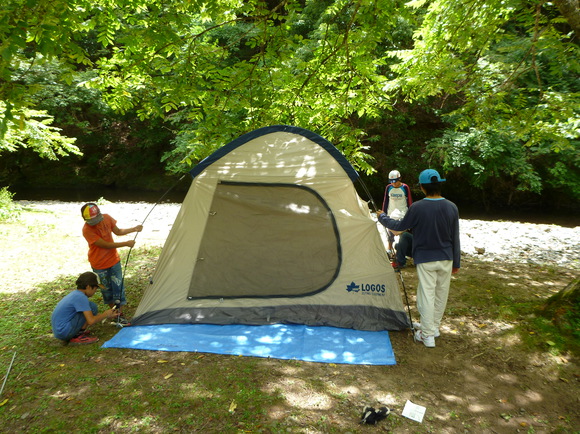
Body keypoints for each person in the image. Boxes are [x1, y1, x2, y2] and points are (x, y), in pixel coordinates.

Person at [377, 169, 460, 348]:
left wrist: (382, 217)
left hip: (426, 258)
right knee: (441, 294)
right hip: (447, 258)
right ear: (439, 185)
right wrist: (456, 262)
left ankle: (427, 335)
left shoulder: (418, 207)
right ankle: (433, 328)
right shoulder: (452, 207)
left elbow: (398, 228)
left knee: (426, 295)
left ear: (422, 187)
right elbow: (455, 236)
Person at [81, 202, 142, 325]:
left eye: (96, 220)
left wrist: (134, 229)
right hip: (99, 264)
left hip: (114, 261)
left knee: (118, 287)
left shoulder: (107, 218)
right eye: (91, 221)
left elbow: (118, 231)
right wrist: (126, 243)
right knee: (107, 290)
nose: (95, 223)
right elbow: (105, 245)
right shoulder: (87, 230)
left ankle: (119, 314)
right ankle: (114, 313)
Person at [51, 272, 117, 344]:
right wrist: (106, 314)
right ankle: (77, 336)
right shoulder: (81, 297)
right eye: (95, 289)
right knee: (91, 307)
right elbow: (91, 321)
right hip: (63, 332)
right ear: (88, 287)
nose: (95, 291)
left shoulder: (76, 294)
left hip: (60, 330)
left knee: (92, 306)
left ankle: (78, 333)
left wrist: (106, 315)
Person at [381, 170, 413, 254]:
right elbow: (386, 201)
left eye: (395, 181)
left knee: (403, 234)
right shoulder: (389, 187)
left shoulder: (405, 187)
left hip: (403, 213)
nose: (393, 183)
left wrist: (411, 214)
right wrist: (383, 213)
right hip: (391, 213)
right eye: (391, 182)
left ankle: (403, 251)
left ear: (400, 179)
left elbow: (409, 201)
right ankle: (389, 249)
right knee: (390, 233)